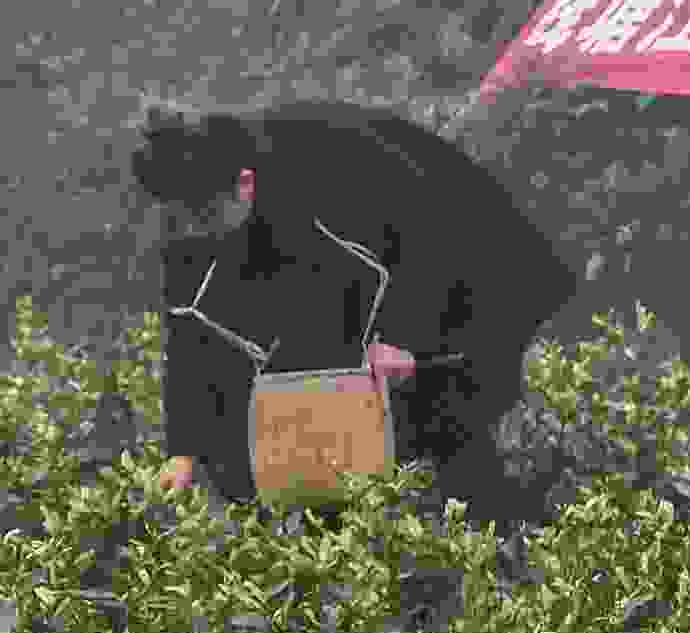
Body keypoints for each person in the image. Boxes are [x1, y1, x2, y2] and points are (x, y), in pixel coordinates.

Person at [131, 102, 577, 528]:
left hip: (466, 248)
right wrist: (183, 451)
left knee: (441, 402)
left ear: (245, 184)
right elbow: (190, 328)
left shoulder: (321, 179)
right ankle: (339, 532)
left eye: (204, 217)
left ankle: (500, 523)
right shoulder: (193, 209)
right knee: (315, 392)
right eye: (181, 220)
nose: (194, 231)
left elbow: (426, 247)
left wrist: (404, 339)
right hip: (353, 261)